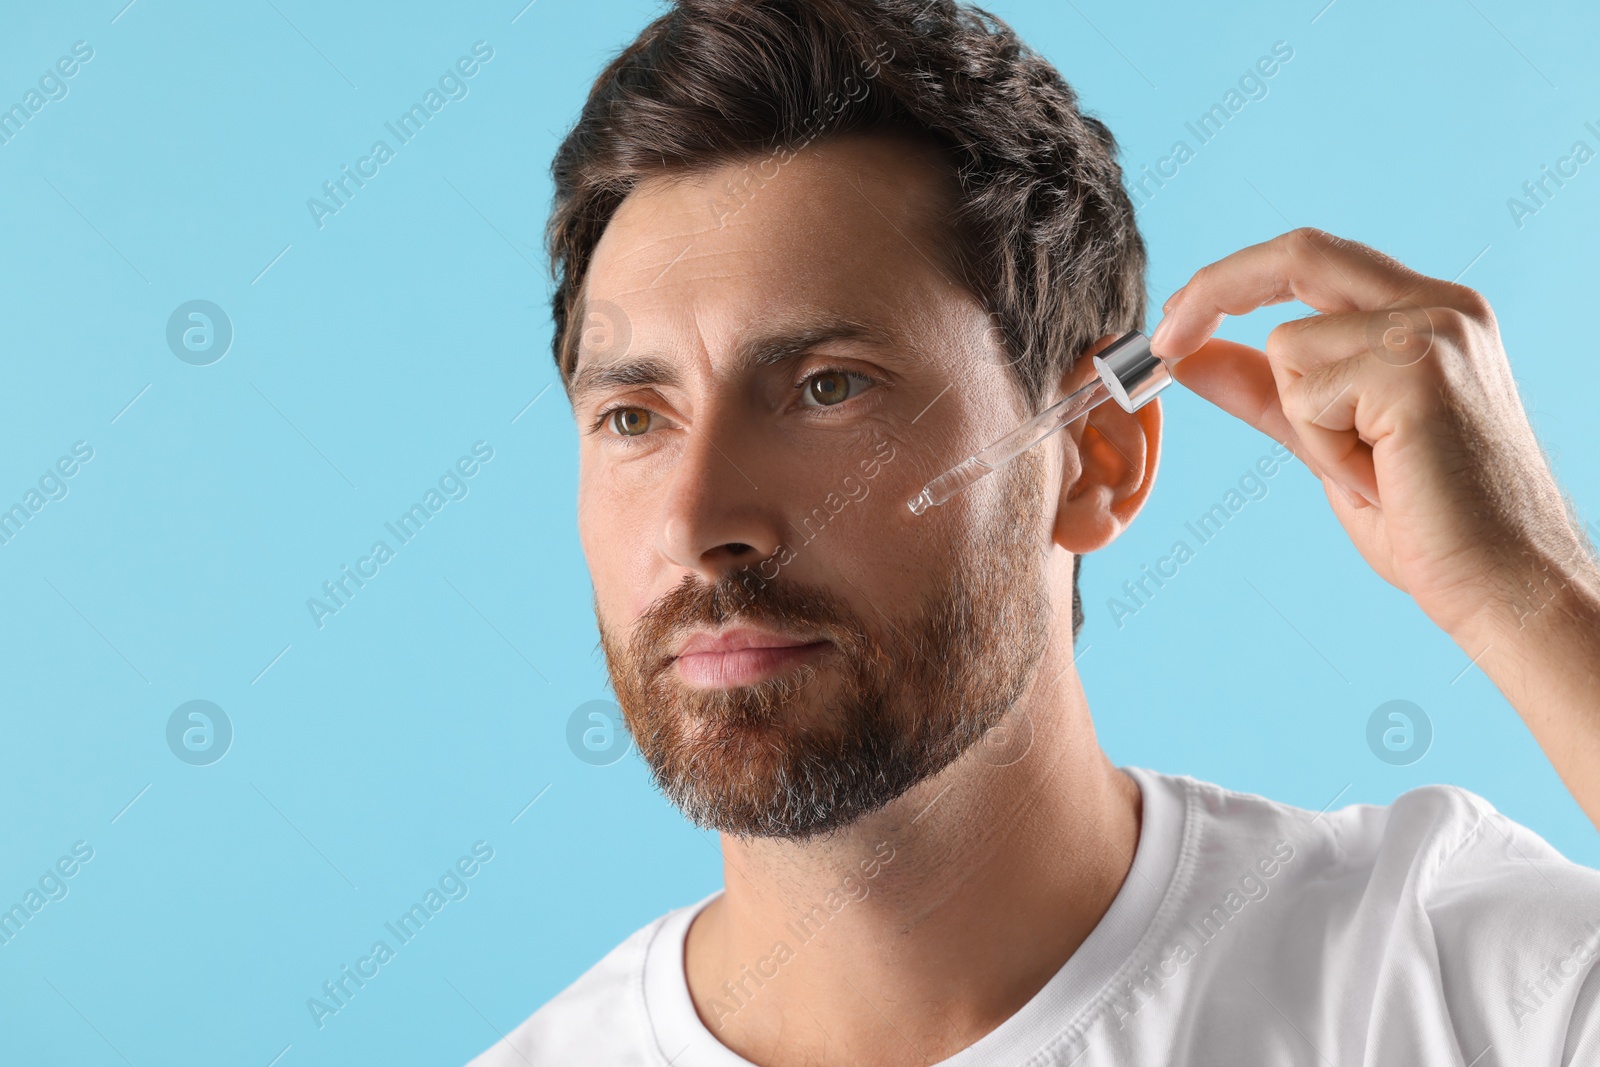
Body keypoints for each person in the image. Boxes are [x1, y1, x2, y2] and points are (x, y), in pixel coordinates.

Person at [469, 1, 1600, 1063]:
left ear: (1093, 458)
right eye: (632, 416)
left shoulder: (1457, 984)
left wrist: (1535, 597)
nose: (696, 519)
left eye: (827, 388)